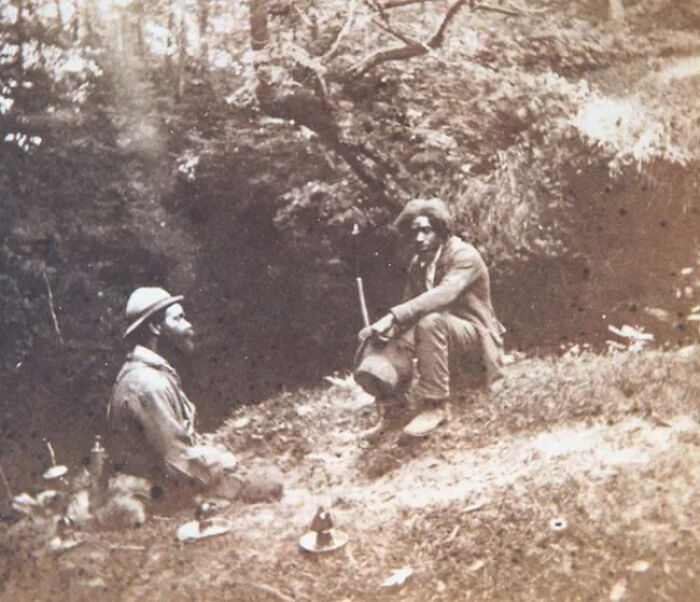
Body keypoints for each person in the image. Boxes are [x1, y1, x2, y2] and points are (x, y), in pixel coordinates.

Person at [107, 287, 282, 504]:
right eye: (179, 318)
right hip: (153, 495)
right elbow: (176, 461)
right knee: (263, 486)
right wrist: (222, 464)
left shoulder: (154, 373)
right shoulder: (145, 383)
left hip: (168, 482)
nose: (188, 325)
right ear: (155, 327)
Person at [357, 198, 506, 438]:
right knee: (387, 333)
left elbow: (444, 294)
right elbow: (409, 312)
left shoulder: (464, 256)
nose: (419, 238)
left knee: (428, 322)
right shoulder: (419, 264)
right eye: (414, 231)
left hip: (475, 338)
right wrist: (384, 329)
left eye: (426, 230)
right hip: (440, 338)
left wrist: (394, 315)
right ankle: (393, 409)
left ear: (441, 229)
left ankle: (436, 406)